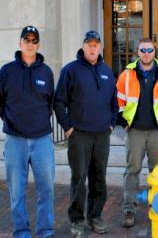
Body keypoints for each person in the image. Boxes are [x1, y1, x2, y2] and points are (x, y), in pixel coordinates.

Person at [54, 30, 118, 237]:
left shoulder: (107, 71)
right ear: (83, 46)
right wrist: (68, 127)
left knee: (99, 176)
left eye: (96, 44)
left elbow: (114, 104)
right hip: (79, 134)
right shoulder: (70, 70)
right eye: (89, 44)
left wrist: (111, 124)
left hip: (101, 135)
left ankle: (95, 216)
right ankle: (77, 220)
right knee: (79, 178)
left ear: (100, 47)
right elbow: (59, 101)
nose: (92, 48)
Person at [117, 38, 158, 227]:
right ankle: (129, 209)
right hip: (135, 131)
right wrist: (123, 120)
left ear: (155, 52)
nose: (146, 53)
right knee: (132, 171)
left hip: (157, 132)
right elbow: (118, 98)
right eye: (143, 50)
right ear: (138, 52)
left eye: (150, 50)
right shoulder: (127, 74)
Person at [0, 26, 55, 237]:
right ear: (20, 43)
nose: (30, 43)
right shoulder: (6, 72)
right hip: (15, 141)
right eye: (27, 39)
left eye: (34, 40)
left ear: (38, 44)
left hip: (42, 140)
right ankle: (21, 232)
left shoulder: (46, 72)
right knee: (16, 192)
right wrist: (12, 122)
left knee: (47, 190)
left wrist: (37, 123)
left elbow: (49, 104)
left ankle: (45, 232)